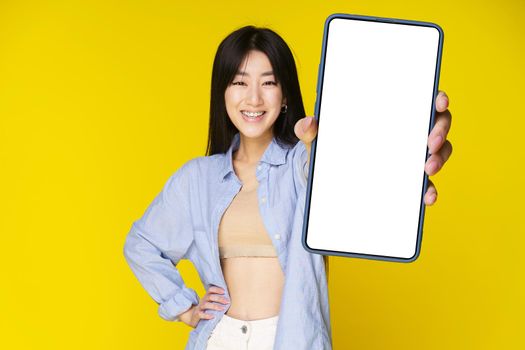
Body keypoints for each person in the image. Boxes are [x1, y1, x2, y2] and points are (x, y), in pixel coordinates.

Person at [123, 25, 453, 350]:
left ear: (284, 96)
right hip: (218, 338)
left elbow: (342, 174)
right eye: (239, 82)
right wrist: (185, 308)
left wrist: (401, 149)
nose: (253, 97)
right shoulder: (197, 178)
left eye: (268, 83)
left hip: (289, 337)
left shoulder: (303, 162)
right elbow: (141, 244)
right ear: (222, 91)